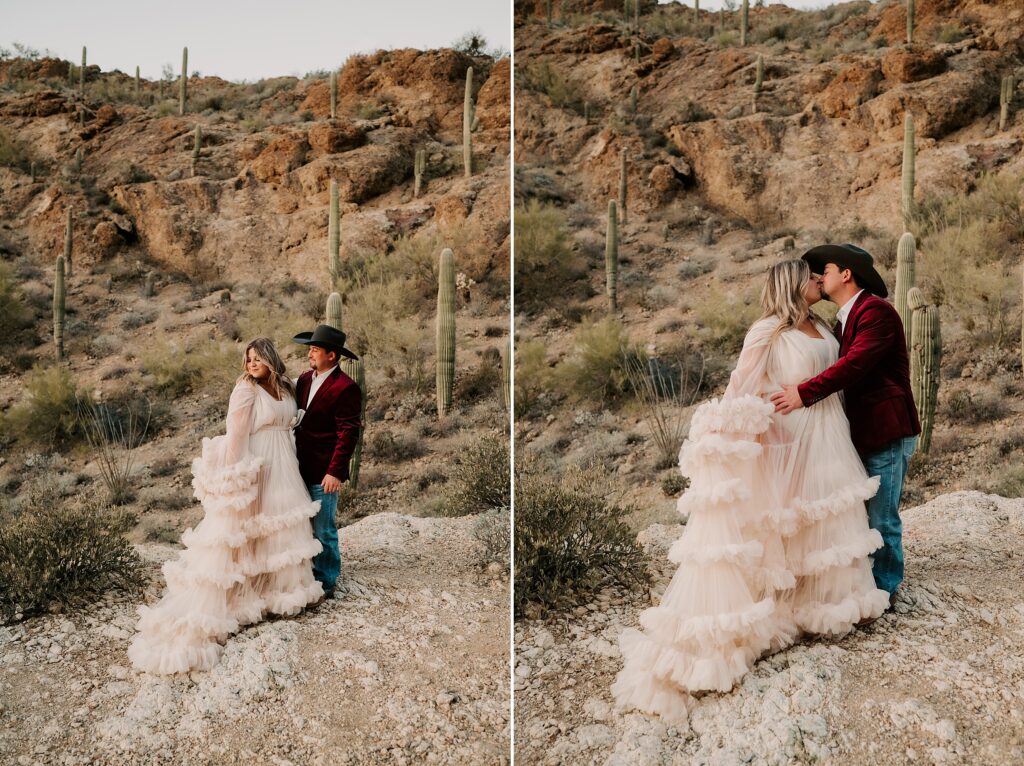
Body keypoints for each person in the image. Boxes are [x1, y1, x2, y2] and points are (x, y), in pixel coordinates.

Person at [612, 259, 889, 721]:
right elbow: (741, 385)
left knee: (825, 518)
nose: (820, 281)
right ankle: (775, 609)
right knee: (787, 517)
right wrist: (725, 433)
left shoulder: (823, 324)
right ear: (792, 285)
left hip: (828, 433)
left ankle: (820, 606)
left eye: (823, 275)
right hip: (790, 435)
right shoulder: (766, 331)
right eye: (812, 277)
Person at [128, 338, 324, 675]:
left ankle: (276, 594)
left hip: (285, 464)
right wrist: (234, 478)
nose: (251, 363)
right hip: (259, 463)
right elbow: (235, 436)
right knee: (248, 528)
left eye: (257, 357)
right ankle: (240, 599)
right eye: (247, 359)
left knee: (280, 526)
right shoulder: (245, 390)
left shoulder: (287, 388)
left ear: (270, 359)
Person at [770, 243, 921, 608]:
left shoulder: (877, 313)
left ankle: (885, 590)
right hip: (860, 431)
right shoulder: (841, 320)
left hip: (886, 428)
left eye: (827, 270)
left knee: (882, 515)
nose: (821, 277)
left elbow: (853, 365)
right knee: (861, 514)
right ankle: (867, 584)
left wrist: (804, 394)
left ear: (846, 275)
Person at [291, 325, 362, 600]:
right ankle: (308, 573)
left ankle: (327, 581)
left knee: (324, 528)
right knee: (301, 526)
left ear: (332, 355)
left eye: (315, 350)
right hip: (298, 467)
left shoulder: (346, 388)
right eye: (310, 349)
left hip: (324, 472)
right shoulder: (305, 379)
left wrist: (335, 472)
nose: (310, 353)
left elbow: (348, 433)